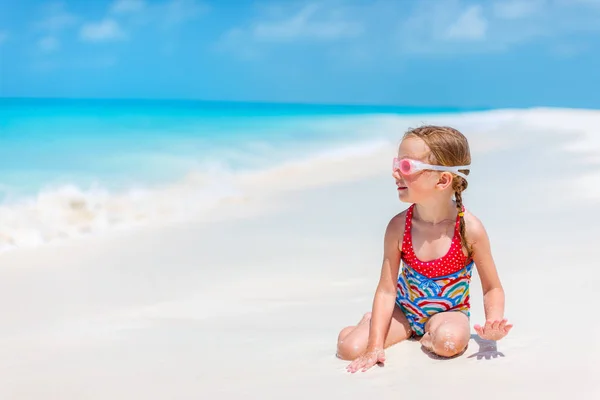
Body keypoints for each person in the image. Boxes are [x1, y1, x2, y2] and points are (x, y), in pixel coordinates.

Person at [336, 125, 513, 373]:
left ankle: (428, 332)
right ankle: (371, 323)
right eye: (396, 164)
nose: (396, 173)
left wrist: (493, 320)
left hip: (449, 314)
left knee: (448, 343)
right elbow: (386, 291)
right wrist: (375, 345)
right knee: (348, 349)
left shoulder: (469, 229)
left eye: (407, 167)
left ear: (442, 179)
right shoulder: (399, 227)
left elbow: (492, 287)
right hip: (404, 312)